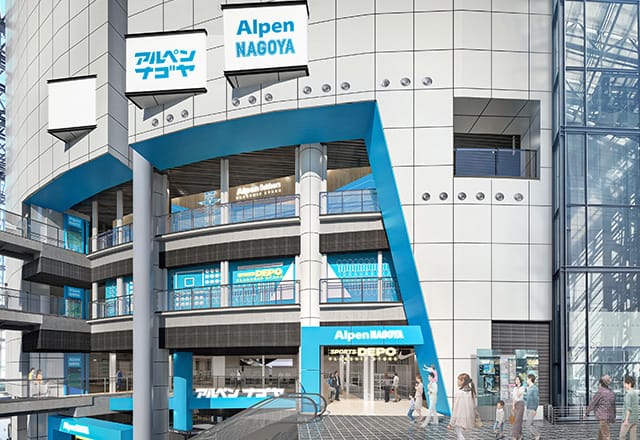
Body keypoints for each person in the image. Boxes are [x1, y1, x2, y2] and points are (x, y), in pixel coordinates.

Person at [448, 372, 478, 440]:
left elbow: (455, 410)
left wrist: (451, 423)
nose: (457, 381)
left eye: (458, 380)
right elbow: (474, 406)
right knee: (465, 436)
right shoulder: (471, 392)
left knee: (461, 436)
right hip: (469, 419)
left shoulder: (459, 393)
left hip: (460, 419)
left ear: (462, 381)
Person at [586, 375, 616, 440]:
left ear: (600, 384)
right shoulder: (611, 392)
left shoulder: (600, 392)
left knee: (606, 436)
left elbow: (593, 403)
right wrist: (613, 416)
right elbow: (613, 405)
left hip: (603, 417)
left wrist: (586, 412)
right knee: (601, 435)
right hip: (608, 417)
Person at [620, 375, 638, 440]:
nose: (624, 385)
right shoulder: (635, 393)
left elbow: (628, 408)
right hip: (635, 419)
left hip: (629, 419)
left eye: (625, 383)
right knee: (633, 437)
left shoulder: (628, 394)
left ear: (629, 384)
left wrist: (626, 420)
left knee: (622, 436)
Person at [525, 374, 540, 440]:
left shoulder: (534, 388)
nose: (526, 380)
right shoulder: (528, 388)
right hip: (528, 407)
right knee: (531, 423)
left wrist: (535, 409)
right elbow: (527, 398)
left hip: (532, 408)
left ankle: (537, 434)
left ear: (530, 379)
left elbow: (536, 399)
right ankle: (534, 436)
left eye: (527, 379)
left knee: (527, 425)